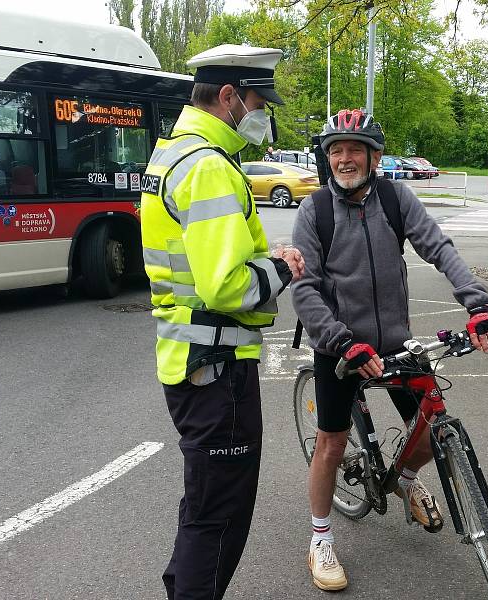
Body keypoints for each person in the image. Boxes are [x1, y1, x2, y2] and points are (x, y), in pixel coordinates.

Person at [291, 109, 488, 592]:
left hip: (396, 344)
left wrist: (478, 305)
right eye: (336, 151)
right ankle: (320, 538)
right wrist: (341, 340)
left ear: (373, 156)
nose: (345, 159)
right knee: (332, 443)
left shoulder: (394, 197)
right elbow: (305, 291)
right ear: (328, 159)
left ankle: (405, 478)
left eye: (355, 150)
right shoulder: (315, 211)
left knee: (430, 424)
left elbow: (439, 247)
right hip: (340, 346)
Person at [140, 44, 305, 600]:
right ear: (230, 97)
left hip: (192, 362)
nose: (265, 115)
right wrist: (280, 267)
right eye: (261, 102)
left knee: (205, 505)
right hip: (218, 369)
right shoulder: (210, 168)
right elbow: (224, 285)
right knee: (219, 516)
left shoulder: (174, 153)